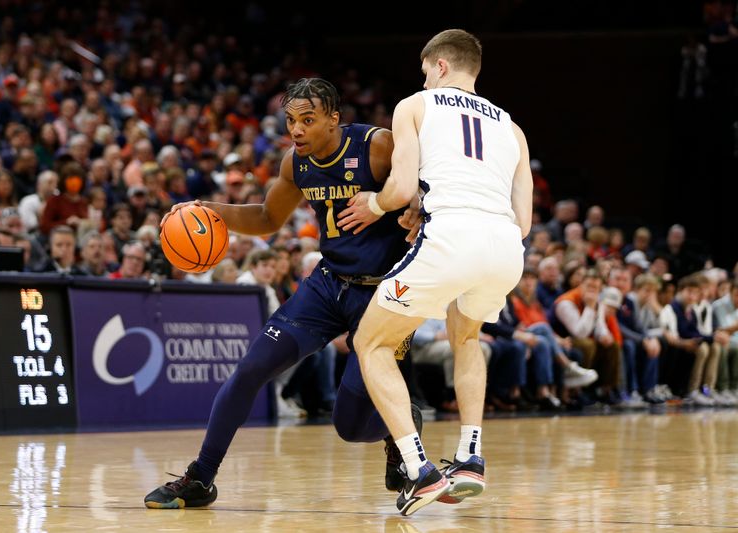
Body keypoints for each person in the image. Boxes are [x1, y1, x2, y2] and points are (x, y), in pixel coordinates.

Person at [144, 78, 416, 509]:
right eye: (291, 121)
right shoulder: (297, 164)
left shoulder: (377, 146)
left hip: (384, 295)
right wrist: (208, 210)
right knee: (251, 369)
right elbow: (270, 216)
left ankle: (398, 426)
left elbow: (426, 188)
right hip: (328, 285)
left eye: (308, 120)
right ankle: (202, 476)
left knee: (348, 424)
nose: (297, 130)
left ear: (333, 119)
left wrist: (416, 211)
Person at [339, 29, 531, 515]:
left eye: (426, 69)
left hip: (453, 238)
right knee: (466, 338)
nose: (423, 77)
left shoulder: (416, 105)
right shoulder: (512, 127)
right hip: (506, 247)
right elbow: (524, 219)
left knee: (371, 342)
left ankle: (418, 468)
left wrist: (375, 203)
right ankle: (470, 458)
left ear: (440, 66)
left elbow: (402, 187)